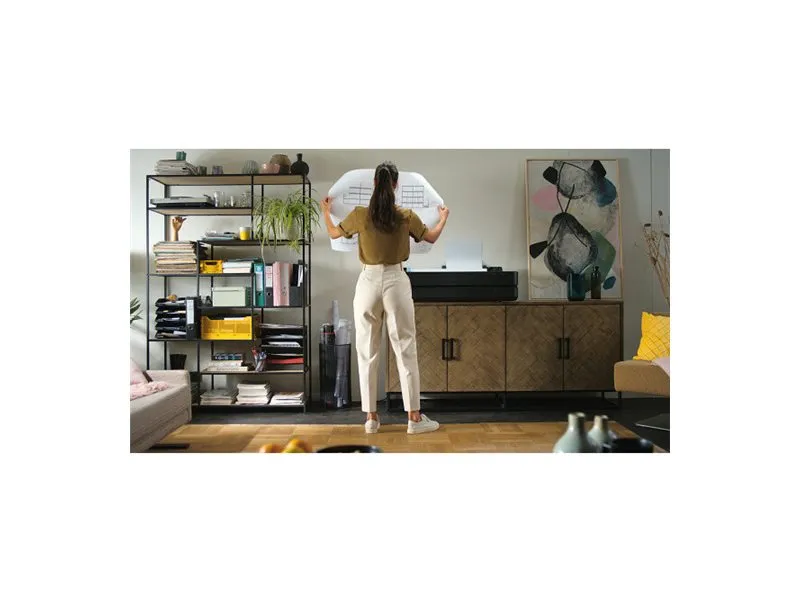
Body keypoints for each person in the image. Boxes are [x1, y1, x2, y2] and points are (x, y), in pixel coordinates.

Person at [322, 161, 449, 434]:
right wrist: (443, 218)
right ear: (396, 184)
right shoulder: (405, 215)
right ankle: (414, 419)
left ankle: (371, 418)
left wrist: (326, 211)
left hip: (367, 282)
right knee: (405, 348)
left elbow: (333, 233)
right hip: (396, 281)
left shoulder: (360, 214)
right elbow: (430, 238)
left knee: (367, 351)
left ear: (374, 184)